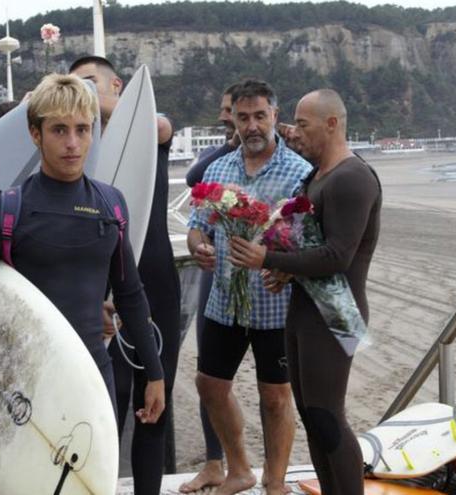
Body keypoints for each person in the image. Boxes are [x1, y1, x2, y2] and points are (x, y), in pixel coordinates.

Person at [0, 74, 165, 495]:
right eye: (59, 130)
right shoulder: (6, 211)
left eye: (82, 130)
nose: (72, 143)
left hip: (90, 375)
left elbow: (129, 293)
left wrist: (154, 373)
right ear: (36, 134)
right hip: (19, 382)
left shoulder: (111, 204)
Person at [229, 89, 382, 495]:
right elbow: (308, 246)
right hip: (304, 312)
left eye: (305, 124)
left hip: (336, 314)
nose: (296, 132)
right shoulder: (317, 176)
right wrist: (286, 272)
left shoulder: (353, 178)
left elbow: (337, 256)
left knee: (329, 418)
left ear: (332, 124)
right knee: (312, 417)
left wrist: (269, 261)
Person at [186, 79, 312, 495]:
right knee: (210, 385)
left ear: (276, 115)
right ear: (233, 119)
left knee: (275, 396)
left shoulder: (299, 171)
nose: (252, 125)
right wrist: (200, 245)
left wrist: (285, 266)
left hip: (276, 304)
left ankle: (275, 481)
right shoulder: (218, 169)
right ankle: (239, 469)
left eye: (260, 116)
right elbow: (197, 226)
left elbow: (310, 238)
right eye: (244, 117)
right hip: (225, 300)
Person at [69, 56, 180, 495]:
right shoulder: (80, 148)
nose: (84, 93)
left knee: (154, 404)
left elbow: (159, 125)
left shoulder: (150, 127)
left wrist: (108, 105)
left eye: (91, 83)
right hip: (104, 289)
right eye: (75, 86)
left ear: (117, 84)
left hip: (156, 283)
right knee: (105, 406)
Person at [179, 82, 241, 493]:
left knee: (277, 388)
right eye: (224, 110)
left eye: (229, 110)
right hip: (216, 279)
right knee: (210, 376)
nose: (222, 116)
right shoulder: (217, 159)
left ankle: (271, 472)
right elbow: (193, 176)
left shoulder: (274, 157)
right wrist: (231, 143)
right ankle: (215, 462)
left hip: (265, 283)